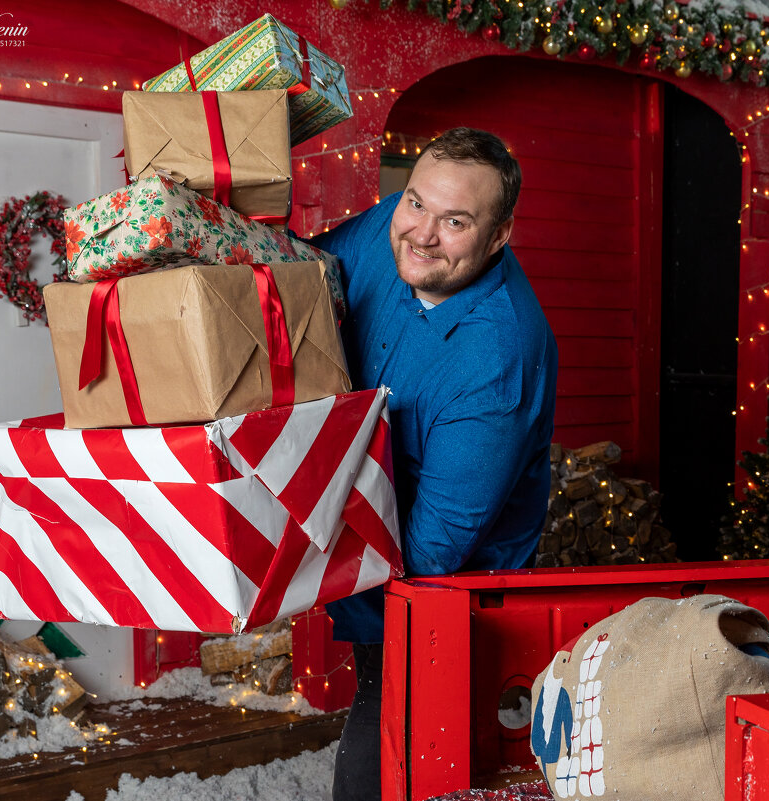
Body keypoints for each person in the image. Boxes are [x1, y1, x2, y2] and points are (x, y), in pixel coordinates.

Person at [312, 127, 558, 801]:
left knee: (396, 744)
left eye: (454, 221)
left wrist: (297, 549)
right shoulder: (389, 230)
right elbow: (295, 280)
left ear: (498, 235)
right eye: (415, 203)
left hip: (440, 605)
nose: (421, 234)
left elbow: (431, 552)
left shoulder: (495, 360)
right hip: (368, 545)